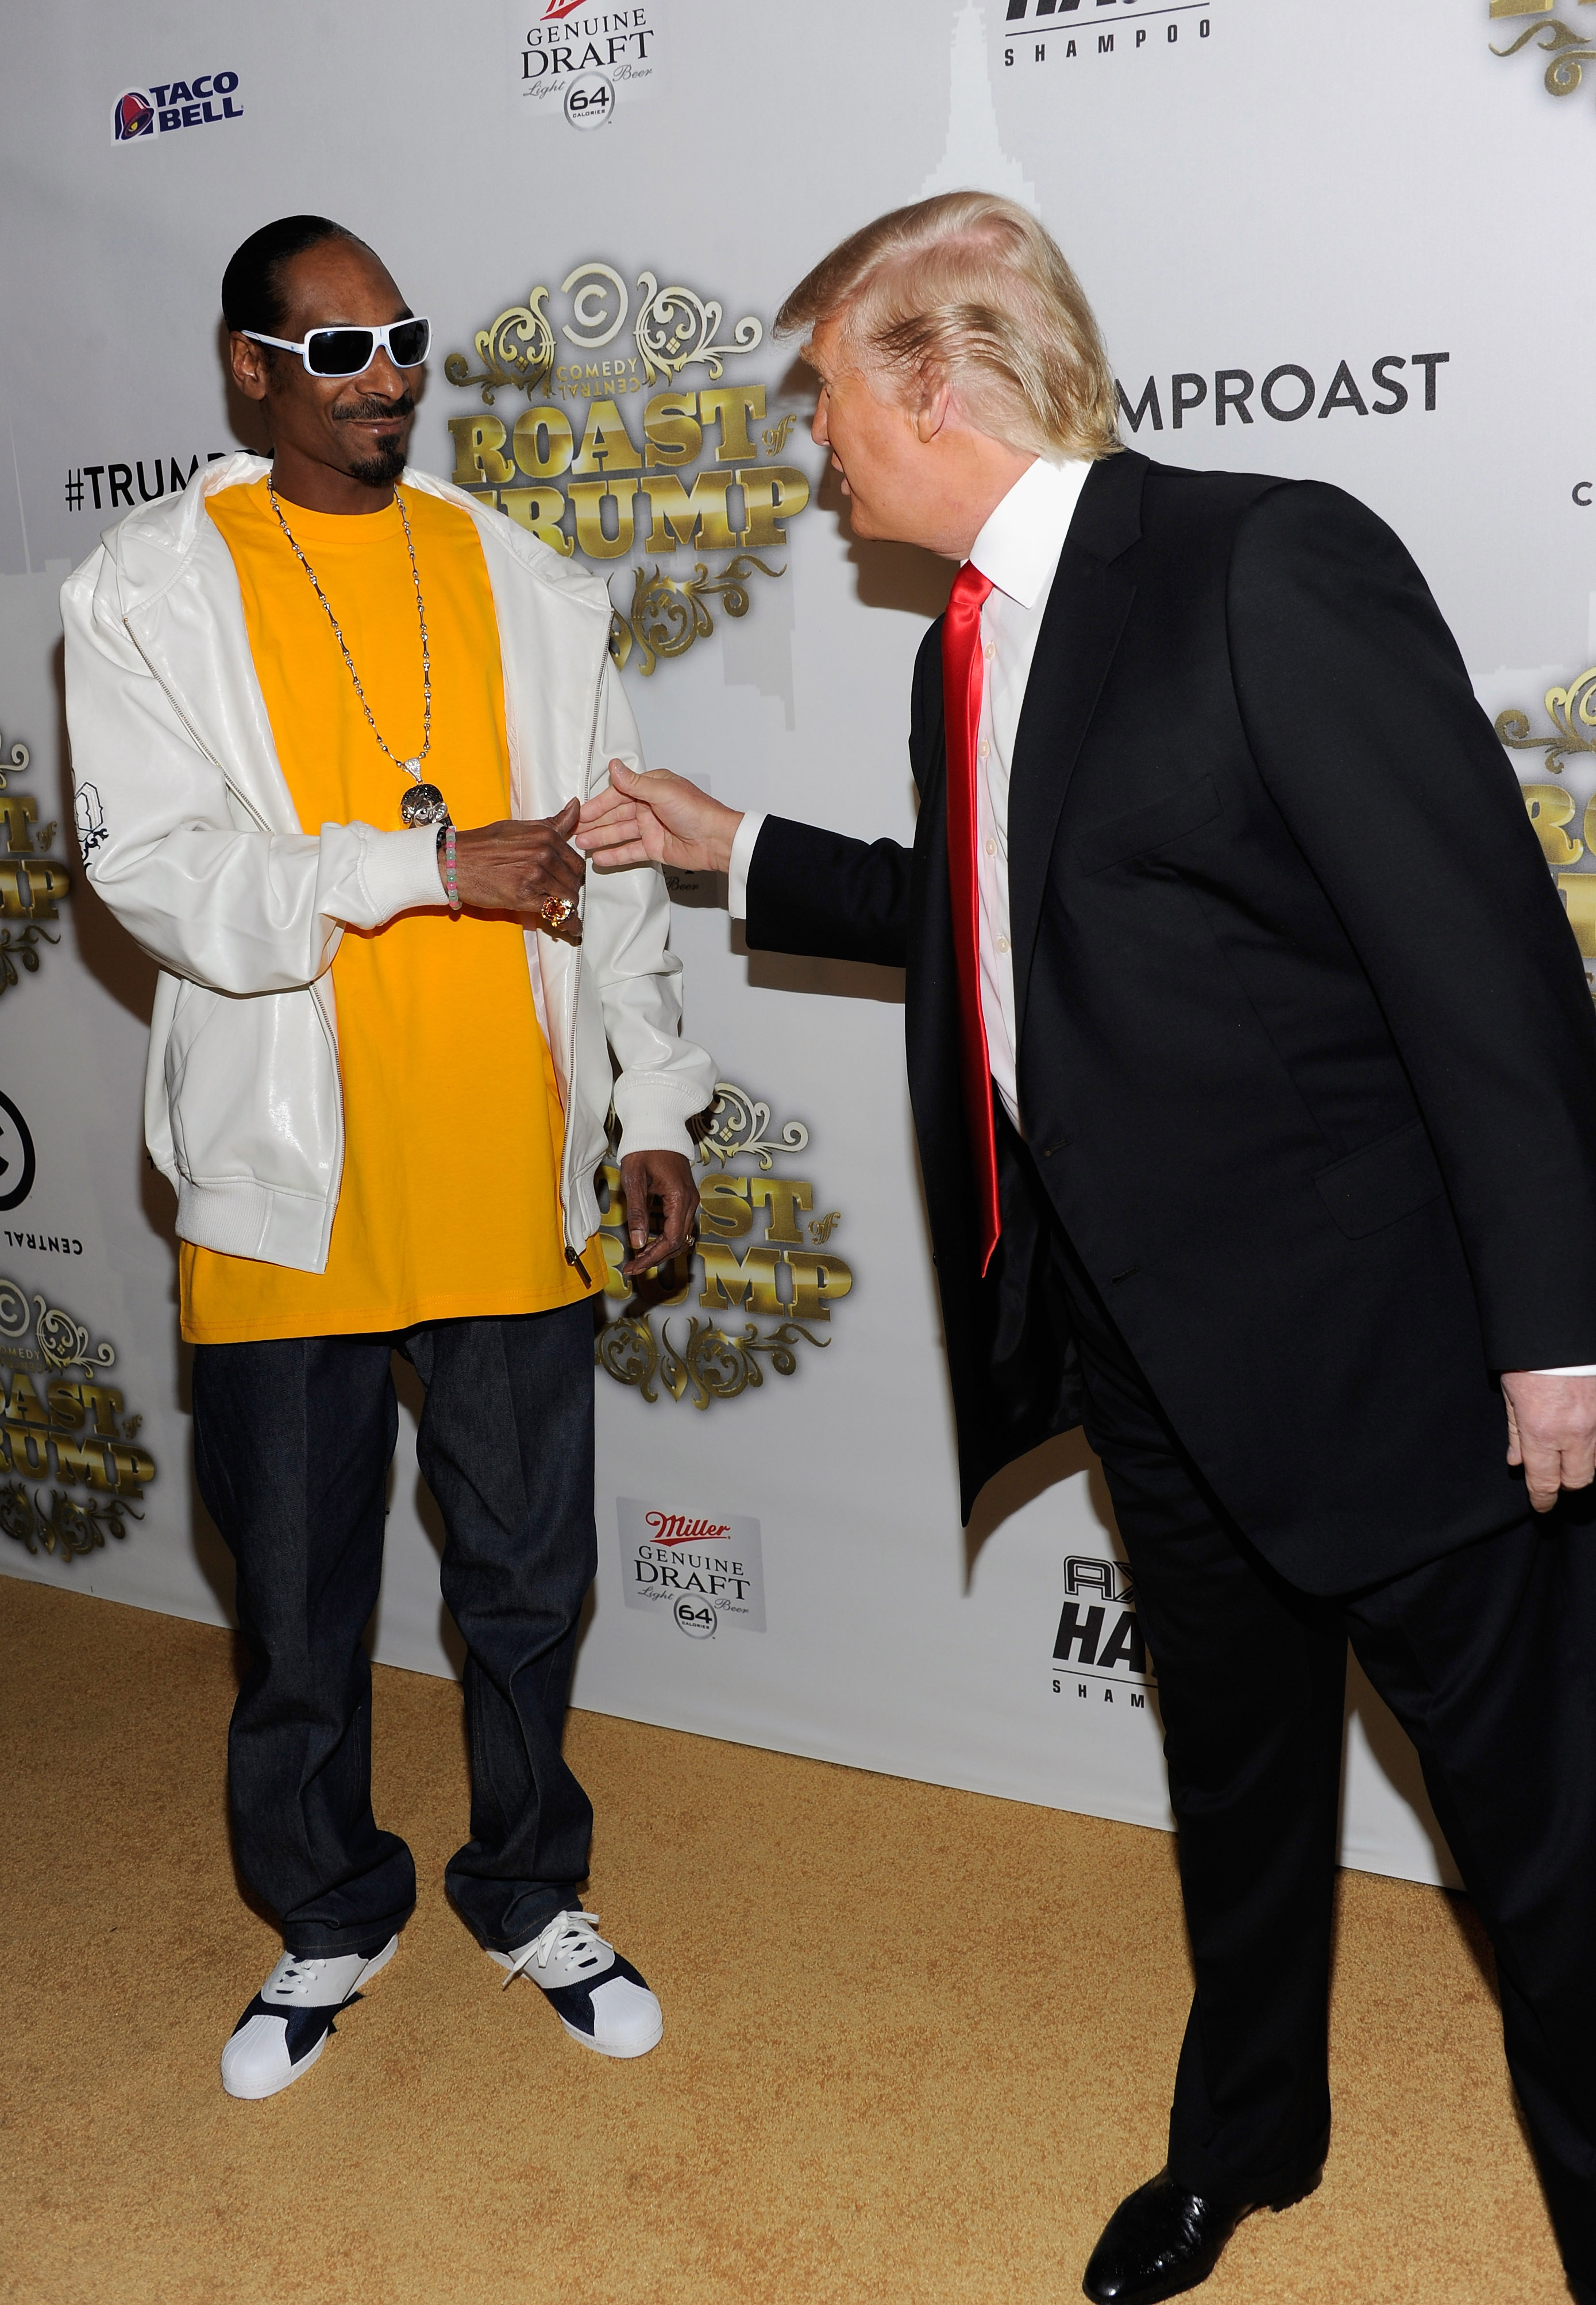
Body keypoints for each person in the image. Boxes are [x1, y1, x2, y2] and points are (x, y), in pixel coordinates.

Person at [577, 191, 1596, 2304]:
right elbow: (1005, 922)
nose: (822, 453)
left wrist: (1559, 1331)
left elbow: (1484, 969)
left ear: (941, 385)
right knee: (1232, 1782)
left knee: (1556, 1863)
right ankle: (1251, 2139)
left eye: (836, 402)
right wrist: (735, 845)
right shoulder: (965, 644)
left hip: (1398, 1357)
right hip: (1145, 1345)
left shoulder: (1261, 560)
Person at [62, 214, 715, 2102]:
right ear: (247, 367)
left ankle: (528, 1886)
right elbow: (161, 876)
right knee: (299, 1594)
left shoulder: (524, 578)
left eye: (405, 340)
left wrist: (651, 1100)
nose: (384, 378)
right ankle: (328, 1907)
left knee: (525, 1575)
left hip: (511, 1171)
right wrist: (415, 867)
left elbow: (614, 872)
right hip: (287, 1183)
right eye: (335, 349)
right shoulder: (148, 589)